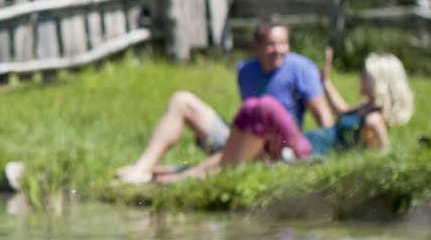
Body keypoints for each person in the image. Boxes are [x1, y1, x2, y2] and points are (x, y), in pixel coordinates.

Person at [115, 18, 334, 184]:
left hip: (276, 147)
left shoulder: (301, 68)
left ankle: (189, 174)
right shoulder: (246, 70)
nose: (278, 50)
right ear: (257, 46)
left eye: (283, 43)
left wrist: (326, 155)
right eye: (271, 44)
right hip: (242, 137)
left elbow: (323, 118)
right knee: (181, 100)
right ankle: (143, 168)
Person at [160, 49, 413, 180]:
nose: (361, 78)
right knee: (251, 138)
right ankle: (176, 173)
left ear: (380, 81)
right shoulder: (363, 109)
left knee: (265, 108)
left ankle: (187, 175)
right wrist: (325, 82)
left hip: (308, 155)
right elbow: (341, 111)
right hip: (304, 145)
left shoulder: (373, 120)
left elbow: (383, 161)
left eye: (366, 75)